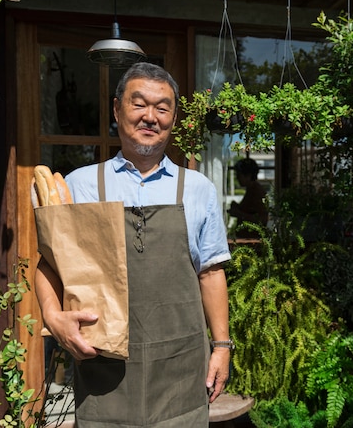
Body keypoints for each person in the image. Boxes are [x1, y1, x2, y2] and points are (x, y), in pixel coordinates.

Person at [35, 62, 232, 427]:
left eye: (162, 107)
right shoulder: (81, 186)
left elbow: (211, 272)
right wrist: (53, 317)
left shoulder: (197, 188)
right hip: (104, 372)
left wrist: (221, 347)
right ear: (116, 109)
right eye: (138, 103)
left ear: (173, 118)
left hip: (182, 367)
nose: (150, 117)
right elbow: (48, 265)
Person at [227, 158, 268, 238]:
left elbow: (262, 220)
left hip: (253, 242)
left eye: (239, 175)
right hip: (249, 240)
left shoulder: (256, 191)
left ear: (248, 175)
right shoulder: (251, 190)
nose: (237, 178)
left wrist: (239, 213)